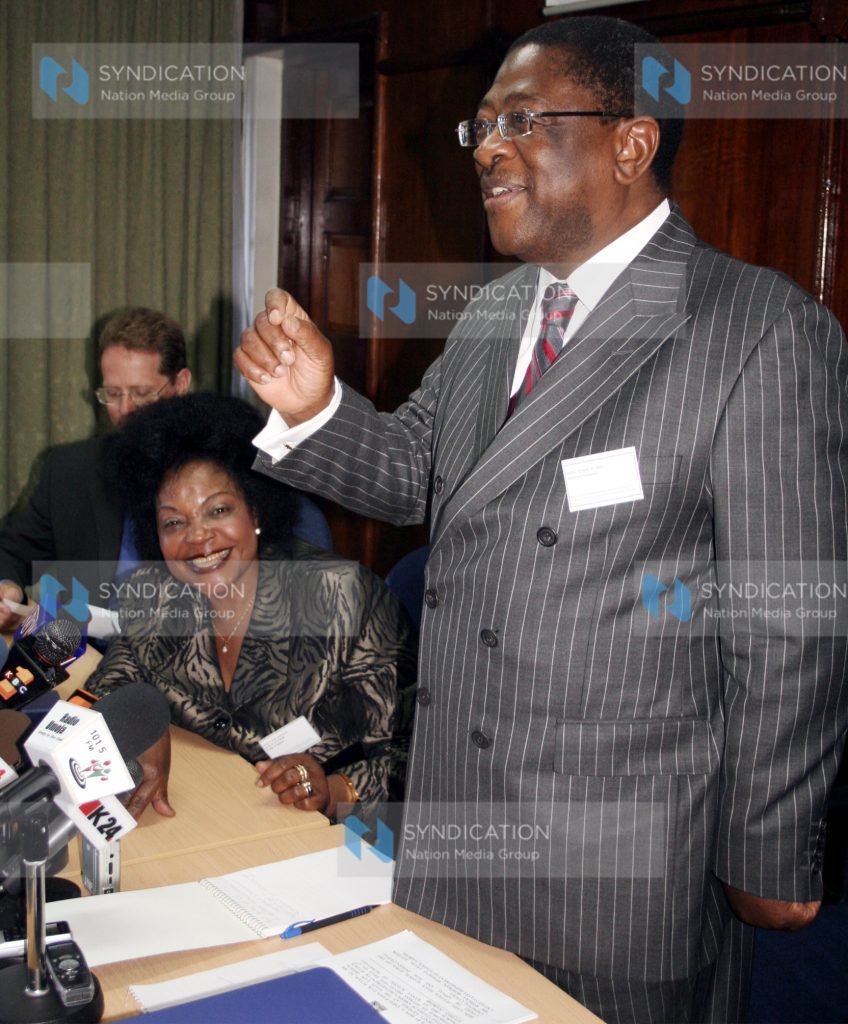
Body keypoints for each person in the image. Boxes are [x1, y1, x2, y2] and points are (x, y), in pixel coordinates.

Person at [235, 15, 848, 1024]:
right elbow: (420, 478)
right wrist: (316, 409)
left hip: (613, 872)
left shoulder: (755, 328)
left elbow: (786, 625)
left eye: (520, 122)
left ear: (630, 142)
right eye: (478, 129)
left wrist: (768, 845)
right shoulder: (493, 315)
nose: (486, 151)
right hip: (455, 827)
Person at [84, 392, 416, 822]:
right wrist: (141, 733)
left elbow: (416, 752)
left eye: (217, 510)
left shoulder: (348, 601)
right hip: (206, 813)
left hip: (321, 841)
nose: (198, 538)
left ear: (254, 511)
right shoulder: (154, 597)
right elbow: (115, 678)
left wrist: (333, 790)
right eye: (174, 522)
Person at [0, 307, 191, 630]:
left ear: (180, 384)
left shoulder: (220, 472)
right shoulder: (69, 471)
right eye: (113, 394)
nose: (126, 409)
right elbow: (11, 551)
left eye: (142, 393)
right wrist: (8, 586)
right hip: (85, 656)